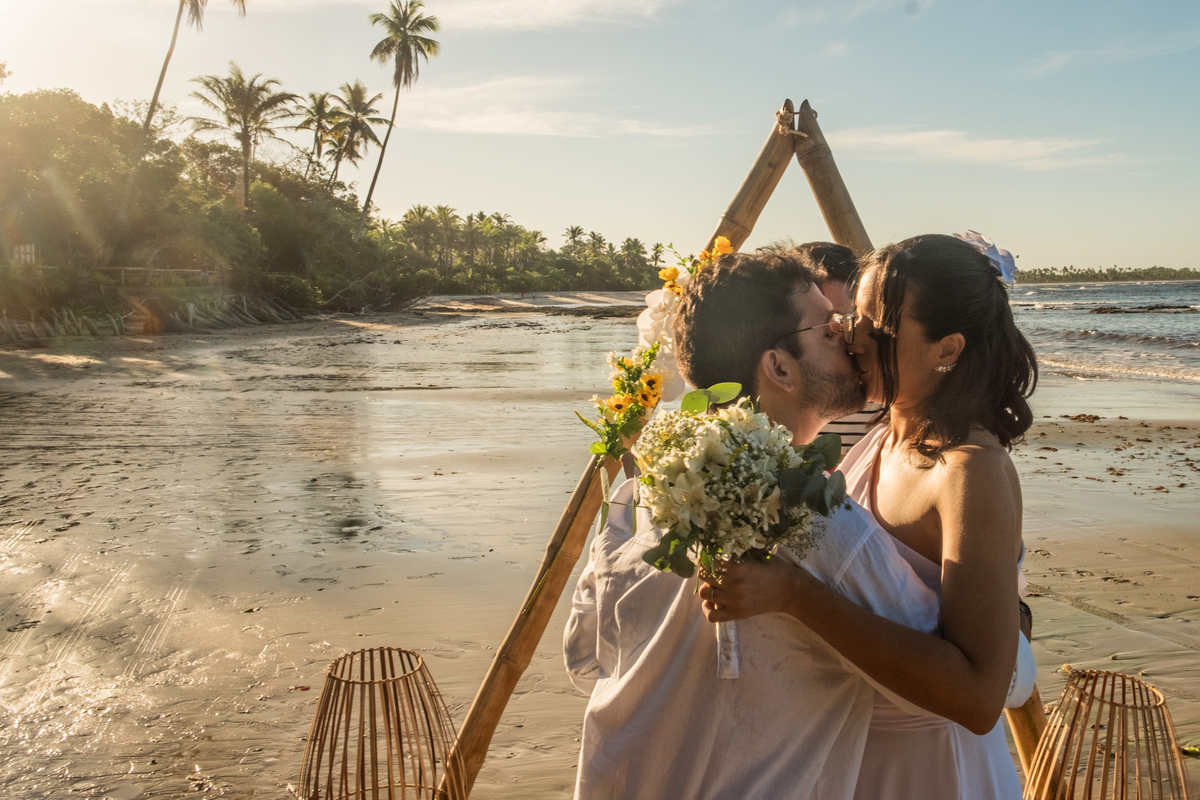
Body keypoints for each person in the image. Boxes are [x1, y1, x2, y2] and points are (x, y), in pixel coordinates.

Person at [564, 249, 945, 800]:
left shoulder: (643, 494)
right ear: (780, 367)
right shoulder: (815, 520)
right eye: (827, 327)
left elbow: (583, 661)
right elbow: (943, 689)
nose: (848, 337)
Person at [699, 234, 1038, 799]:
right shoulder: (882, 436)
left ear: (946, 350)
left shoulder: (968, 471)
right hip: (846, 754)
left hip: (929, 773)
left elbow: (979, 699)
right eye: (850, 313)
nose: (846, 333)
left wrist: (792, 595)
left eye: (876, 325)